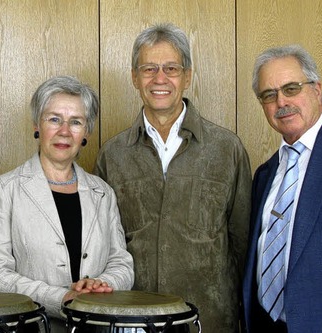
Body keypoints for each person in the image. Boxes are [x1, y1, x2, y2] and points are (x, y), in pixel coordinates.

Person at [93, 23, 252, 332]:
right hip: (131, 320)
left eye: (171, 68)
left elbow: (242, 242)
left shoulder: (226, 149)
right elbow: (101, 247)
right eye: (149, 69)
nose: (160, 79)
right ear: (134, 78)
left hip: (210, 319)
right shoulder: (112, 155)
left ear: (188, 77)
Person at [0, 76, 134, 332]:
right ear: (37, 125)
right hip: (32, 327)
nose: (64, 131)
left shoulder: (103, 192)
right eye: (54, 119)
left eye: (75, 122)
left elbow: (122, 263)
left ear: (86, 132)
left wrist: (102, 284)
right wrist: (60, 298)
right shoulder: (6, 189)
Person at [242, 44, 322, 333]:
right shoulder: (265, 173)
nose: (281, 101)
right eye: (269, 95)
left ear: (317, 90)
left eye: (292, 88)